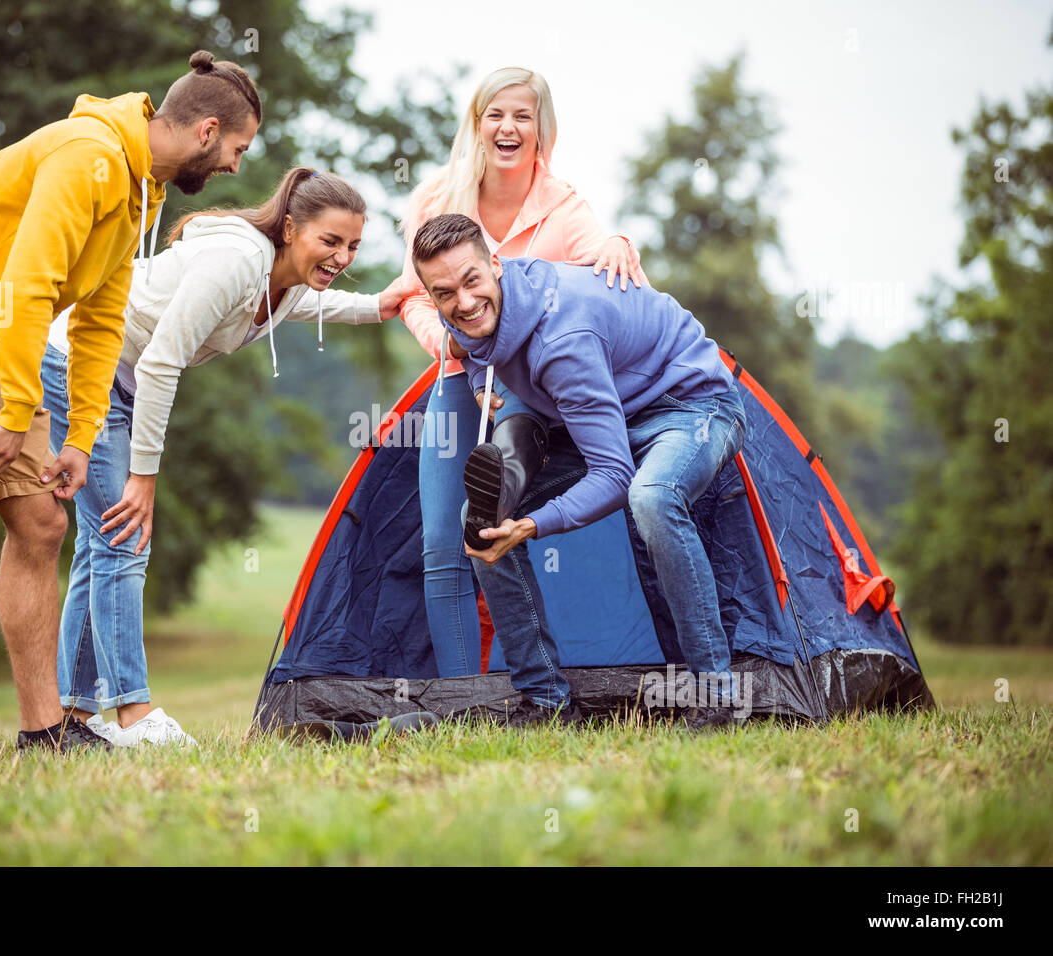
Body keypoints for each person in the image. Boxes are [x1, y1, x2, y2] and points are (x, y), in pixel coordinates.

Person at [0, 50, 262, 759]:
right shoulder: (88, 157)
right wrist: (20, 411)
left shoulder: (138, 188)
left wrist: (80, 434)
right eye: (238, 148)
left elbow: (98, 319)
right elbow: (28, 285)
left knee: (43, 524)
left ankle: (44, 730)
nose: (237, 167)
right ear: (207, 130)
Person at [40, 167, 409, 746]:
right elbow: (163, 361)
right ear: (290, 228)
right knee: (123, 534)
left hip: (120, 376)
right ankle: (134, 715)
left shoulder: (285, 282)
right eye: (330, 241)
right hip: (80, 362)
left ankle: (71, 719)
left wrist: (380, 305)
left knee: (101, 540)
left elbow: (318, 306)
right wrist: (144, 477)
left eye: (353, 245)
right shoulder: (238, 263)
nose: (342, 256)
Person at [410, 214, 747, 730]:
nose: (463, 301)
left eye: (472, 280)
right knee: (480, 522)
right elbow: (472, 344)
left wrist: (532, 526)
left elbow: (614, 476)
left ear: (495, 265)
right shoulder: (481, 309)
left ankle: (719, 699)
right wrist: (480, 383)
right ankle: (545, 701)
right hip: (593, 416)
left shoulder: (562, 340)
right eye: (445, 292)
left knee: (650, 497)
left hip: (690, 403)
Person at [396, 66, 648, 677]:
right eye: (495, 115)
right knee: (442, 543)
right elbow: (412, 296)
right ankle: (462, 693)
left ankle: (537, 681)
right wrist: (444, 342)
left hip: (525, 394)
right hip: (458, 381)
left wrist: (621, 242)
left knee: (497, 521)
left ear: (541, 130)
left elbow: (610, 281)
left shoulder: (565, 207)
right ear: (477, 126)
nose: (508, 128)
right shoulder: (435, 199)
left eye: (523, 116)